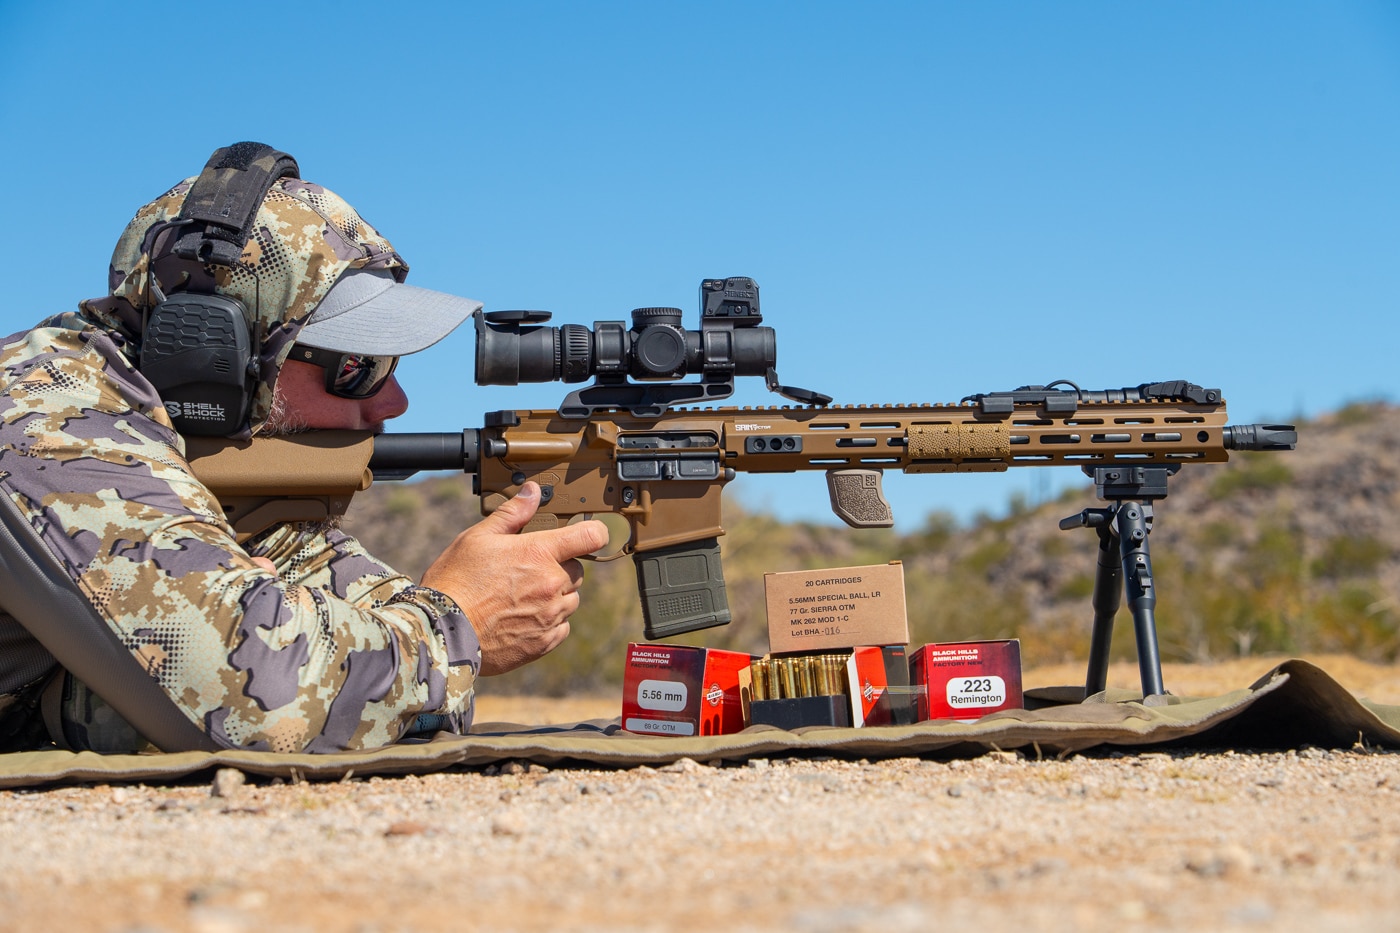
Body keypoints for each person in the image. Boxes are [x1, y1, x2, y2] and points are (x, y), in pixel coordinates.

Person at [0, 143, 607, 754]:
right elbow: (264, 700)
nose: (393, 401)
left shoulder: (198, 454)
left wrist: (400, 628)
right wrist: (456, 629)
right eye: (356, 368)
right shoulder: (48, 420)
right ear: (215, 358)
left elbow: (340, 598)